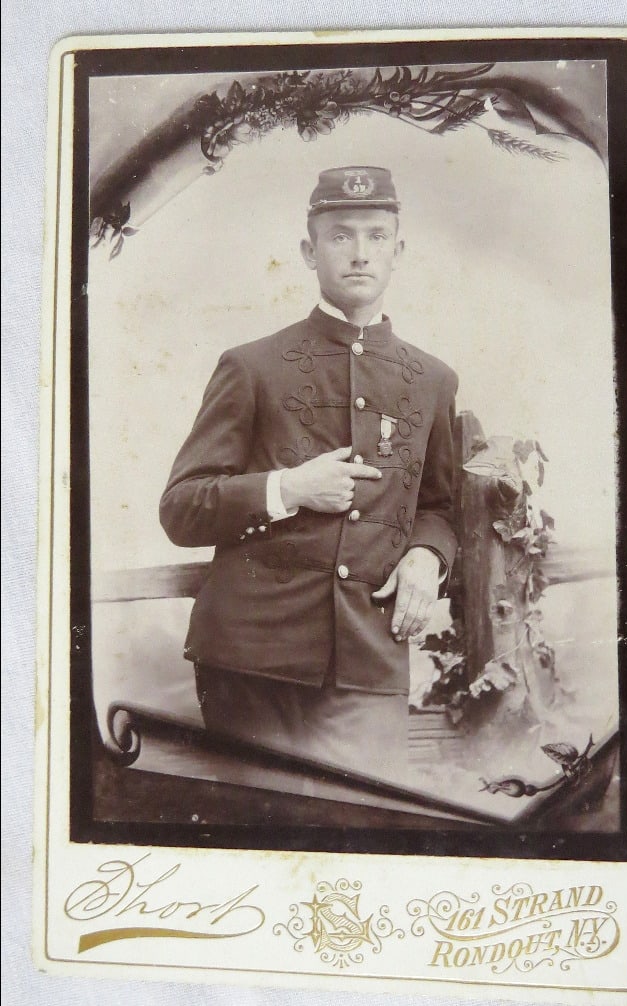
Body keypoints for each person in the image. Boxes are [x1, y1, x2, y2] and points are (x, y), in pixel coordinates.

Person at [160, 166, 458, 783]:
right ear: (309, 250)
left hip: (369, 657)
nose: (359, 253)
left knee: (367, 831)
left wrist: (428, 556)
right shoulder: (251, 366)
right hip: (249, 658)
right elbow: (182, 509)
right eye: (340, 235)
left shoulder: (433, 380)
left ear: (398, 251)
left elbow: (440, 507)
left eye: (377, 236)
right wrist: (287, 489)